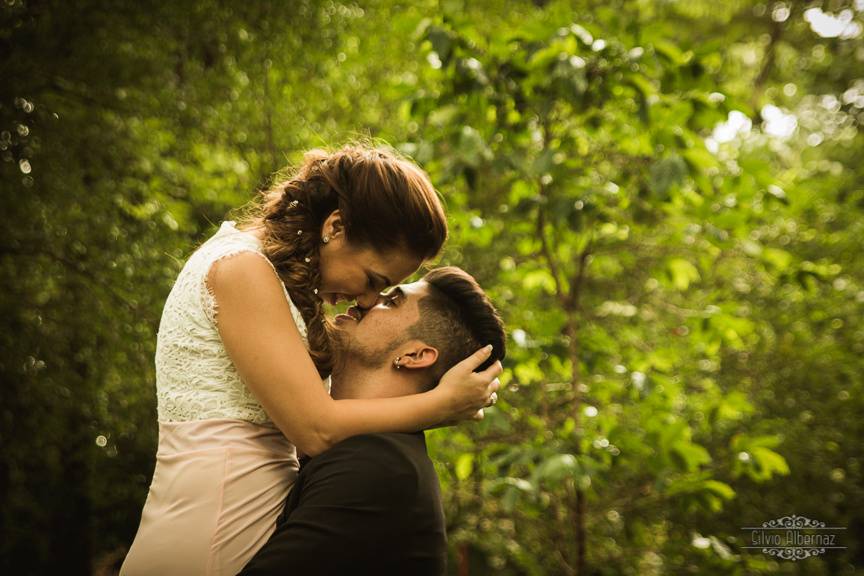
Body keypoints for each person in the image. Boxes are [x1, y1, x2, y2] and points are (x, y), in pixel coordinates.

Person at [120, 144, 502, 575]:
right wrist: (439, 405)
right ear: (335, 227)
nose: (368, 299)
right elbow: (316, 428)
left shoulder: (266, 276)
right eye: (375, 280)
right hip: (215, 532)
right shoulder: (243, 270)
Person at [240, 266, 506, 576]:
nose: (365, 301)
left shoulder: (379, 465)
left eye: (391, 300)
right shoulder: (363, 448)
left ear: (416, 355)